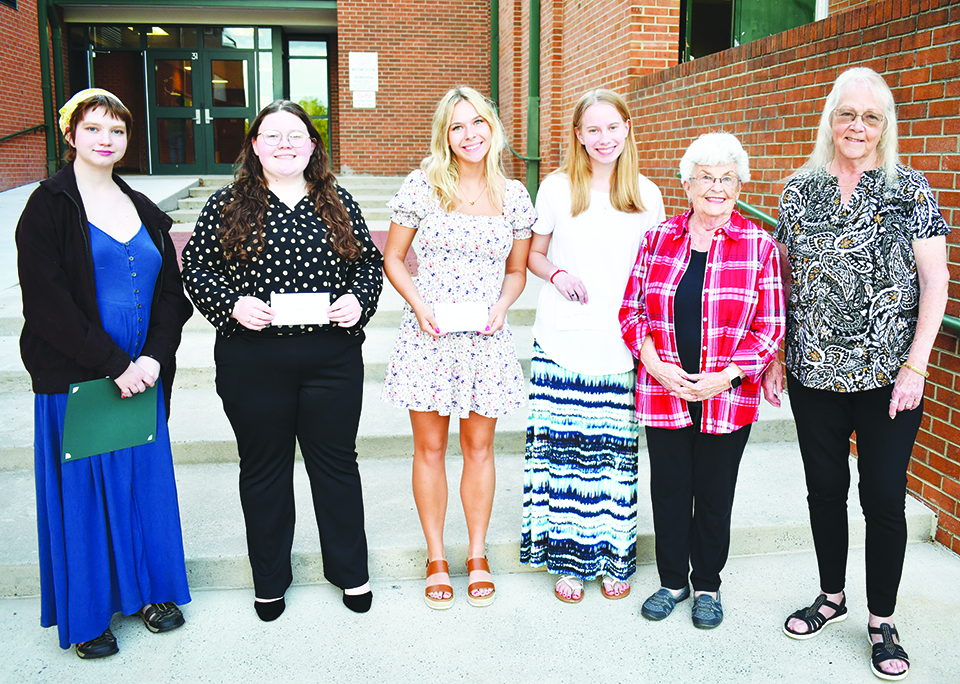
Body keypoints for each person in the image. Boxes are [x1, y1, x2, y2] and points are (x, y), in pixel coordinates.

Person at [763, 67, 950, 681]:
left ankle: (881, 619)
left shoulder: (911, 190)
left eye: (871, 117)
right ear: (831, 118)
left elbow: (935, 281)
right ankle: (831, 596)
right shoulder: (799, 191)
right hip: (815, 372)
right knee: (823, 493)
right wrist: (775, 357)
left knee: (884, 500)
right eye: (848, 114)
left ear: (884, 126)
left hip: (890, 379)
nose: (858, 127)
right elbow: (783, 283)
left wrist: (917, 364)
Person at [181, 100, 383, 620]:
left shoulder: (337, 202)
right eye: (273, 135)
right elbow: (198, 268)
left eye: (296, 135)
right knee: (265, 467)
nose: (285, 144)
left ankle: (350, 572)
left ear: (313, 145)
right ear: (254, 145)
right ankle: (269, 581)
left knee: (336, 465)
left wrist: (358, 302)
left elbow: (368, 267)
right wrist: (231, 305)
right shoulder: (227, 204)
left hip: (330, 359)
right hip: (254, 358)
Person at [16, 89, 193, 658]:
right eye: (93, 129)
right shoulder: (48, 205)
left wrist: (152, 361)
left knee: (143, 485)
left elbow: (172, 292)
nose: (105, 140)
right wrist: (114, 364)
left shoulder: (141, 205)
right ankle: (89, 613)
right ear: (71, 135)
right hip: (81, 379)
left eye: (116, 131)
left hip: (142, 376)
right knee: (86, 496)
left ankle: (149, 592)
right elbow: (47, 304)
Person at [619, 132, 785, 629]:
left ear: (740, 185)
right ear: (687, 184)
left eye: (727, 178)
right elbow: (631, 310)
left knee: (715, 493)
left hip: (727, 398)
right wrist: (652, 361)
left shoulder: (759, 246)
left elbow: (770, 326)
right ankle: (673, 582)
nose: (716, 188)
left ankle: (708, 585)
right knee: (669, 490)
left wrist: (726, 378)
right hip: (663, 390)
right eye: (706, 178)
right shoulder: (657, 238)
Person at [381, 86, 534, 609]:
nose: (469, 135)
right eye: (457, 126)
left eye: (478, 123)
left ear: (493, 127)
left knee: (479, 447)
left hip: (486, 338)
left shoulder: (513, 194)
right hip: (430, 335)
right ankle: (436, 557)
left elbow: (516, 270)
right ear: (444, 134)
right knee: (429, 448)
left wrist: (503, 306)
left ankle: (475, 553)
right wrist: (419, 304)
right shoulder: (422, 186)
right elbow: (394, 259)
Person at [520, 89, 664, 603]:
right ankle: (567, 562)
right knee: (564, 456)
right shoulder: (558, 189)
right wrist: (556, 273)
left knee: (613, 457)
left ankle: (610, 557)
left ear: (627, 128)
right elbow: (534, 255)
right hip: (562, 339)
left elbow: (655, 276)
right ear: (578, 135)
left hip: (622, 345)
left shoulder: (648, 195)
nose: (604, 138)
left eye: (613, 127)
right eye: (593, 130)